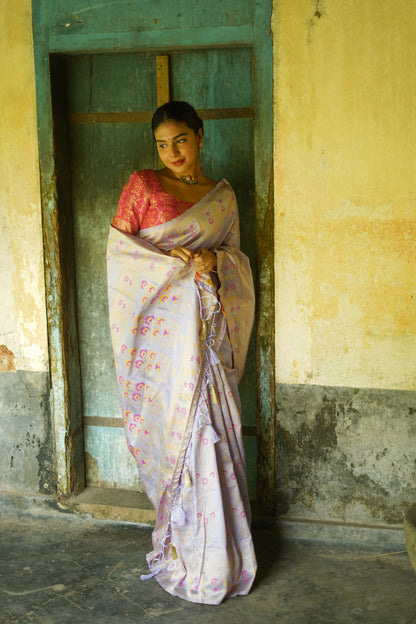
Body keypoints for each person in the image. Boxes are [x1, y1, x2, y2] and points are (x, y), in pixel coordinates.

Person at [107, 101, 257, 604]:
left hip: (209, 339)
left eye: (181, 140)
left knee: (217, 433)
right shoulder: (143, 186)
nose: (172, 152)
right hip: (164, 345)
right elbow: (121, 259)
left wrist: (212, 258)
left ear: (199, 136)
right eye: (162, 145)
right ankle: (186, 552)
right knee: (180, 436)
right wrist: (169, 265)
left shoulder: (222, 197)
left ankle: (224, 558)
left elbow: (237, 260)